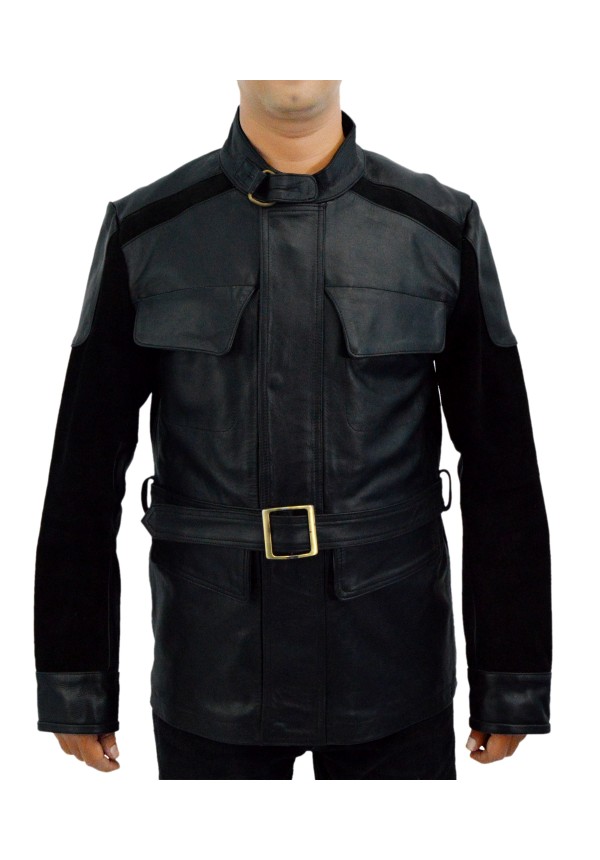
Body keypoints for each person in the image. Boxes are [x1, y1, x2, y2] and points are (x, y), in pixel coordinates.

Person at [33, 80, 552, 779]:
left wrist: (511, 680)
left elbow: (502, 467)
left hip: (391, 667)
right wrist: (75, 684)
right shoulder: (149, 228)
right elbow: (83, 473)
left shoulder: (435, 225)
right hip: (212, 668)